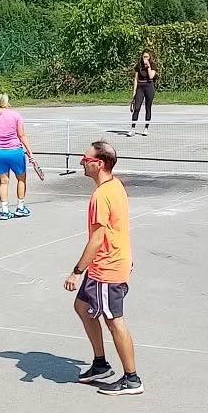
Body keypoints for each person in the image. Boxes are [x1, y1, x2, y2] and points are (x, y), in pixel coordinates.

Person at [64, 141, 142, 396]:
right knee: (82, 306)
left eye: (85, 159)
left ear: (99, 164)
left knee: (114, 321)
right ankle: (100, 364)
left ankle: (132, 379)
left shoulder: (101, 196)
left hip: (107, 268)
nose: (81, 162)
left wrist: (77, 271)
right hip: (103, 266)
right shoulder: (115, 185)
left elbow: (97, 238)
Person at [0, 92, 35, 220]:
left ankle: (5, 211)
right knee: (21, 179)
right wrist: (30, 152)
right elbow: (22, 135)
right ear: (6, 101)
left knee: (3, 182)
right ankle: (20, 208)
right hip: (15, 152)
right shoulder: (15, 115)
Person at [129, 51, 158, 135]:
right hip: (140, 87)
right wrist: (134, 91)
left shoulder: (153, 65)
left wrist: (148, 66)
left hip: (149, 86)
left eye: (147, 57)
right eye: (144, 57)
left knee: (148, 108)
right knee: (137, 108)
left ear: (150, 57)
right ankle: (132, 128)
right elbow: (135, 78)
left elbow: (151, 76)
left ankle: (146, 128)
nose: (145, 58)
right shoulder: (139, 66)